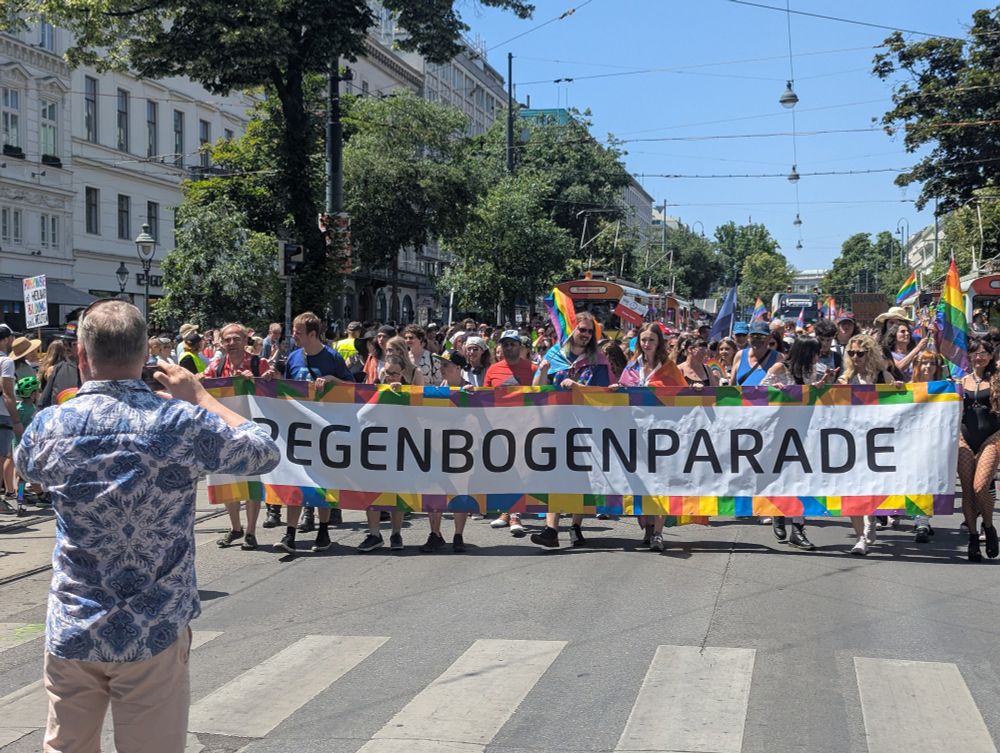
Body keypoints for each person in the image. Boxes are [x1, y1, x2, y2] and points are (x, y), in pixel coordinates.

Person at [14, 299, 279, 753]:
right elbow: (262, 450)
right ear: (146, 357)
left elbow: (28, 469)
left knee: (67, 747)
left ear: (82, 356)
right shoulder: (180, 421)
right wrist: (200, 395)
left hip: (75, 623)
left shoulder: (50, 425)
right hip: (152, 626)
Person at [532, 313, 611, 549]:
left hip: (587, 426)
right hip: (557, 424)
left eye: (590, 332)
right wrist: (544, 371)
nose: (586, 335)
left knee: (582, 478)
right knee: (555, 475)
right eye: (582, 330)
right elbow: (537, 388)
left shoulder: (598, 360)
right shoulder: (554, 354)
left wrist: (577, 387)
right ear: (571, 330)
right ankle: (551, 530)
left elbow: (604, 394)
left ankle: (576, 525)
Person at [280, 311, 356, 551]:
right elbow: (283, 389)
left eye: (298, 332)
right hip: (298, 427)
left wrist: (334, 380)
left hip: (325, 428)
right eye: (293, 330)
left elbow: (354, 388)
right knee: (295, 479)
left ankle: (323, 531)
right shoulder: (292, 358)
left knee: (323, 480)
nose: (293, 335)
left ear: (313, 334)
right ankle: (289, 533)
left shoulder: (332, 357)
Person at [205, 323, 276, 552]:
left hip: (251, 431)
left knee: (252, 480)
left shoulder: (258, 363)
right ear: (221, 343)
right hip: (224, 432)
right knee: (225, 478)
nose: (231, 343)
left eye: (236, 339)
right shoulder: (216, 366)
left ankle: (251, 532)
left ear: (246, 340)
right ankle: (235, 527)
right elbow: (202, 385)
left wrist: (257, 380)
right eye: (227, 340)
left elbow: (272, 389)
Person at [837, 334, 903, 555]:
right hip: (851, 440)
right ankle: (860, 537)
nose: (855, 357)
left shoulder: (882, 376)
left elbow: (897, 403)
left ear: (870, 354)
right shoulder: (845, 377)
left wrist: (900, 389)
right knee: (852, 489)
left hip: (877, 440)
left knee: (872, 486)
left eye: (860, 353)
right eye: (851, 353)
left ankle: (871, 517)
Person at [485, 330, 537, 534]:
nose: (508, 348)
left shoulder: (532, 368)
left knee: (521, 473)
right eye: (505, 344)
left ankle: (515, 515)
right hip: (499, 428)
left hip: (525, 428)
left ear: (520, 347)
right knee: (503, 471)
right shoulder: (493, 370)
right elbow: (484, 398)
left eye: (512, 344)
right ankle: (505, 512)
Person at [957, 338, 1000, 562]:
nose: (979, 356)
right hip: (964, 438)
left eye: (984, 353)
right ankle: (973, 537)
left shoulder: (997, 380)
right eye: (975, 352)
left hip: (992, 437)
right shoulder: (960, 381)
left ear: (991, 356)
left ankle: (989, 527)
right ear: (969, 356)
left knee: (980, 485)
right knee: (967, 490)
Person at [732, 320, 781, 386]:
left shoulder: (778, 357)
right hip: (742, 396)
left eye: (762, 337)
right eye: (753, 336)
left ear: (769, 337)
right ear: (748, 337)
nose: (757, 340)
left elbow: (786, 385)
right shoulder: (739, 355)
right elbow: (732, 386)